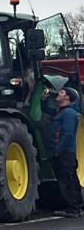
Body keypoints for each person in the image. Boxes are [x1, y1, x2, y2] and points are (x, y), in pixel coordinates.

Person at [50, 87, 83, 218]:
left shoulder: (68, 113)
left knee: (68, 179)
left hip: (66, 151)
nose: (58, 93)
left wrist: (58, 150)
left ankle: (73, 208)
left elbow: (68, 134)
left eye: (62, 92)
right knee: (70, 178)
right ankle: (77, 207)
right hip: (66, 150)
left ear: (68, 97)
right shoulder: (64, 112)